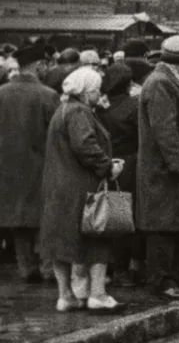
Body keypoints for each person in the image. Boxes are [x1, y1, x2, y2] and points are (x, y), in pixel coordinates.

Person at [38, 67, 126, 312]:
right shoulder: (80, 111)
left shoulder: (63, 109)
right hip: (81, 187)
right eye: (96, 90)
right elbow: (85, 145)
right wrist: (108, 167)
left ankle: (66, 296)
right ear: (87, 92)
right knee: (97, 236)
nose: (99, 94)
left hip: (59, 187)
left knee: (62, 242)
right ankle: (97, 294)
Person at [137, 35, 179, 301]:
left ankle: (177, 276)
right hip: (166, 174)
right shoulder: (160, 84)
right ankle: (162, 281)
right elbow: (164, 130)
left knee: (177, 226)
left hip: (175, 173)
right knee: (163, 229)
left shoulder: (169, 81)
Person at [0, 45, 59, 283]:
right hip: (41, 167)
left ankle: (26, 268)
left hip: (7, 168)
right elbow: (58, 133)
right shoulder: (48, 95)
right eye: (45, 65)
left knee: (18, 219)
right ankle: (47, 268)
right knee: (45, 220)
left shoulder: (1, 92)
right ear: (38, 66)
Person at [97, 62, 143, 288]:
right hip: (130, 165)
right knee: (126, 216)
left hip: (105, 164)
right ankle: (124, 268)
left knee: (105, 215)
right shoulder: (134, 106)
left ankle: (107, 267)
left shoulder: (100, 107)